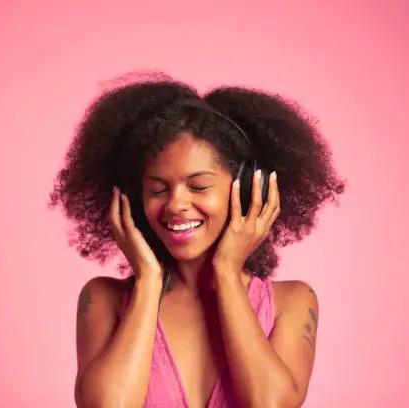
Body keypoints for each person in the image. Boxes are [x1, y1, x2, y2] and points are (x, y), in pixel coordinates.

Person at [49, 71, 345, 408]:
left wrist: (228, 273)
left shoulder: (292, 302)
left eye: (199, 186)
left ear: (248, 191)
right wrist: (148, 282)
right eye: (158, 189)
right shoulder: (104, 299)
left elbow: (270, 405)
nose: (175, 204)